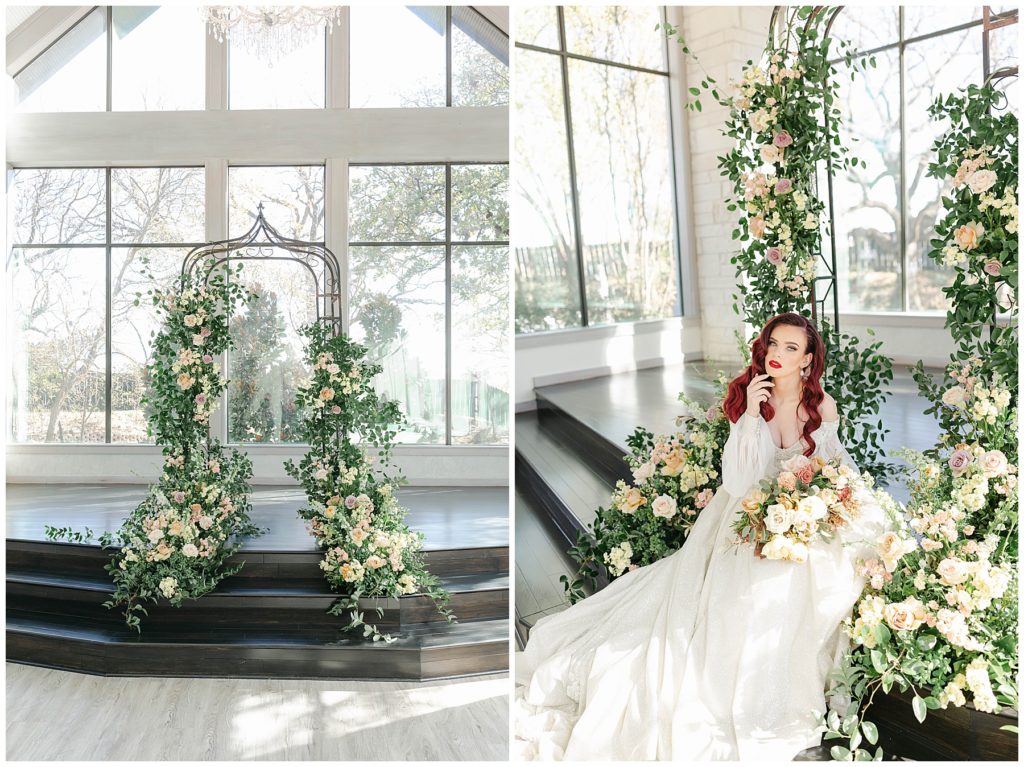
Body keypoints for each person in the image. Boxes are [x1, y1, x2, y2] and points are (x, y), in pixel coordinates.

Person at [514, 312, 889, 761]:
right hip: (747, 509)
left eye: (791, 348)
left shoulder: (822, 407)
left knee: (835, 567)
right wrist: (750, 414)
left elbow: (835, 472)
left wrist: (814, 509)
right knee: (751, 583)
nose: (777, 355)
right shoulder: (754, 400)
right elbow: (737, 478)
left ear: (808, 361)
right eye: (773, 344)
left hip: (805, 511)